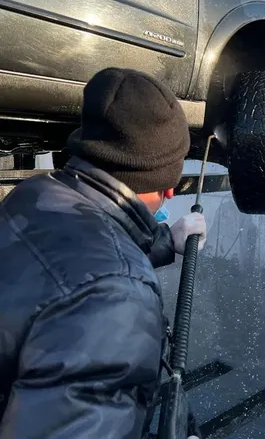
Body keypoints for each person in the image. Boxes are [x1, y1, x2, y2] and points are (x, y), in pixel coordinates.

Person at [0, 68, 206, 439]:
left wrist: (162, 240)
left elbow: (75, 253)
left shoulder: (34, 197)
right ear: (170, 187)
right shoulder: (117, 296)